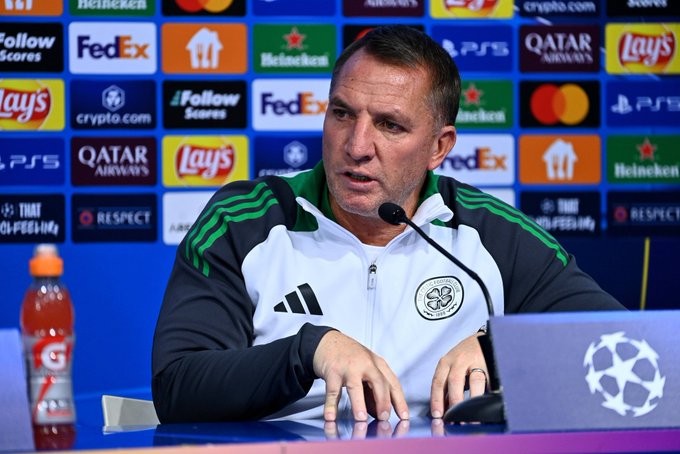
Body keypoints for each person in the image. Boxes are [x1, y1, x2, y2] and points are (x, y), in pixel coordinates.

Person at [151, 25, 625, 424]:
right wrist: (308, 350)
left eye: (390, 125)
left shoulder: (492, 234)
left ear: (439, 147)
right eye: (342, 114)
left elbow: (627, 342)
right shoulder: (245, 221)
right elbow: (177, 388)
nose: (357, 146)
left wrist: (499, 349)